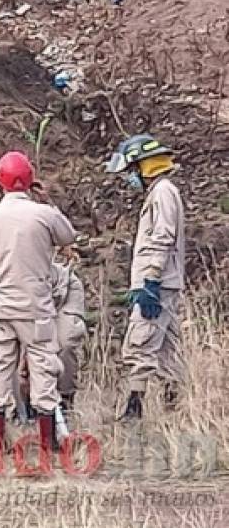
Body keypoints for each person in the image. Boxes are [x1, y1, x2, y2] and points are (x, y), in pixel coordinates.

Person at [0, 151, 77, 459]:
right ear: (31, 181)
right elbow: (68, 236)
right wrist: (47, 202)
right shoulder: (44, 215)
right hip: (35, 308)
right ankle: (47, 441)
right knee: (44, 368)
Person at [106, 134, 185, 421]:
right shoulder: (163, 192)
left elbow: (162, 238)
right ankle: (173, 410)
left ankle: (133, 410)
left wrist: (150, 280)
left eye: (131, 171)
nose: (130, 178)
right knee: (166, 351)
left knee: (140, 345)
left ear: (143, 166)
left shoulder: (163, 192)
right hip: (165, 282)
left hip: (158, 284)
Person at [15, 260, 87, 417]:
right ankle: (26, 407)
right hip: (22, 296)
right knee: (22, 350)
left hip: (63, 288)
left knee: (66, 343)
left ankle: (65, 403)